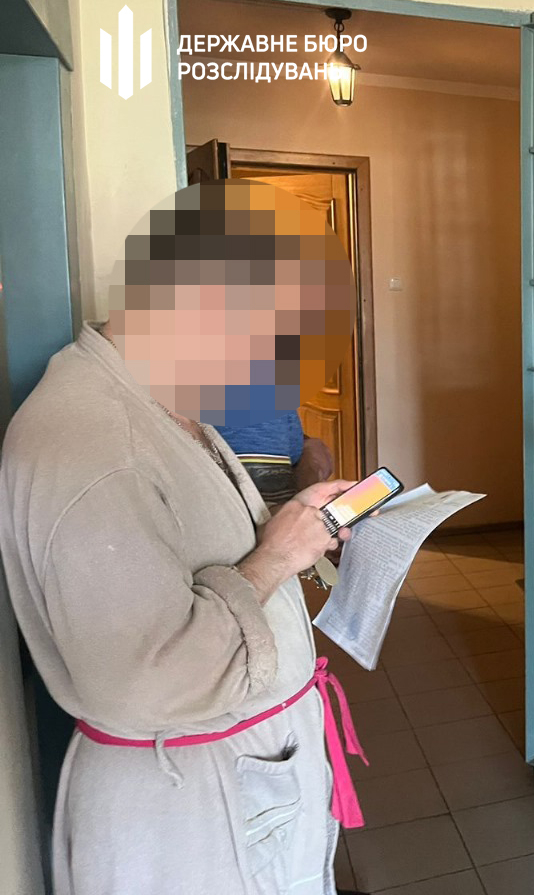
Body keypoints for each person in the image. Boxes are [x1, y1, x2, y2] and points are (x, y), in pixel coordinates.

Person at [0, 179, 369, 894]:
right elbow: (146, 678)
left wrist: (301, 523)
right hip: (189, 816)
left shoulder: (160, 404)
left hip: (232, 783)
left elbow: (206, 546)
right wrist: (278, 555)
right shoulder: (94, 445)